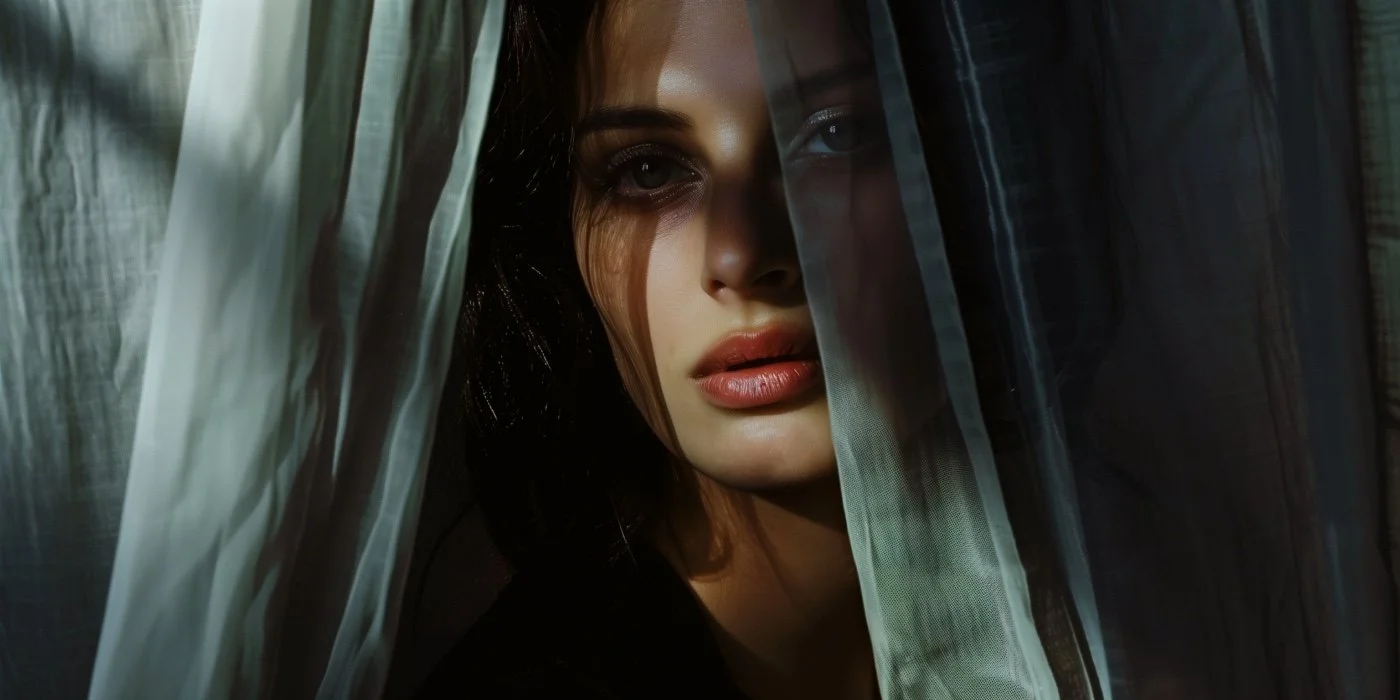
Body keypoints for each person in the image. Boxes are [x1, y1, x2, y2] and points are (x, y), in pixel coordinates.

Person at [413, 0, 1084, 698]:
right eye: (646, 171)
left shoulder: (1141, 610)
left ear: (977, 168)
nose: (740, 252)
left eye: (836, 136)